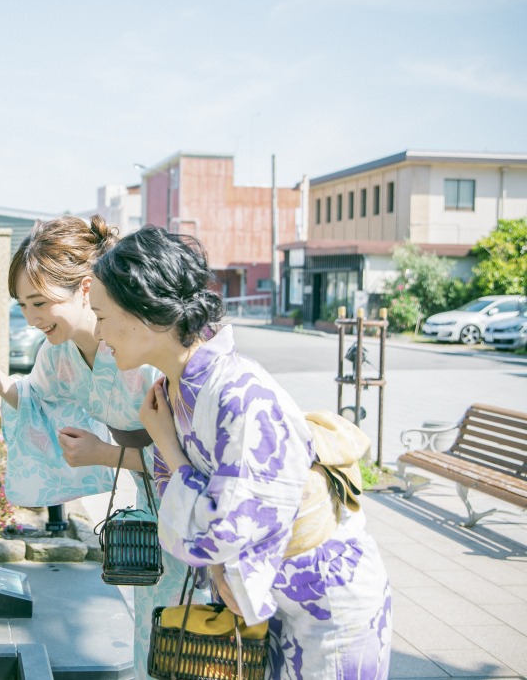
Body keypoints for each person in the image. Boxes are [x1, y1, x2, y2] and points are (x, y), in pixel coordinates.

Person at [90, 226, 393, 679]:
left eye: (101, 315)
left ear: (144, 311)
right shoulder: (178, 386)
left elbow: (221, 532)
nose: (97, 332)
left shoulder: (240, 393)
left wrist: (169, 447)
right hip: (276, 594)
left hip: (327, 598)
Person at [0, 214, 188, 680]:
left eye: (40, 302)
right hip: (152, 503)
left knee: (189, 632)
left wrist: (105, 454)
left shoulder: (139, 347)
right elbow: (40, 401)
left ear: (86, 288)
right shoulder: (61, 352)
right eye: (23, 306)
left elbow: (188, 458)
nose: (32, 319)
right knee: (154, 628)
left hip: (190, 503)